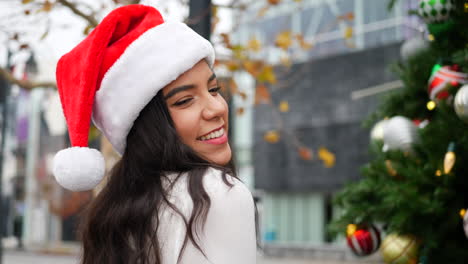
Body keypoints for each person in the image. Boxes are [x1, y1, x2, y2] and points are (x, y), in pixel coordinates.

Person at [52, 4, 258, 264]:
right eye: (185, 101)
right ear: (147, 125)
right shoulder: (219, 194)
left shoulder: (114, 212)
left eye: (214, 89)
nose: (216, 108)